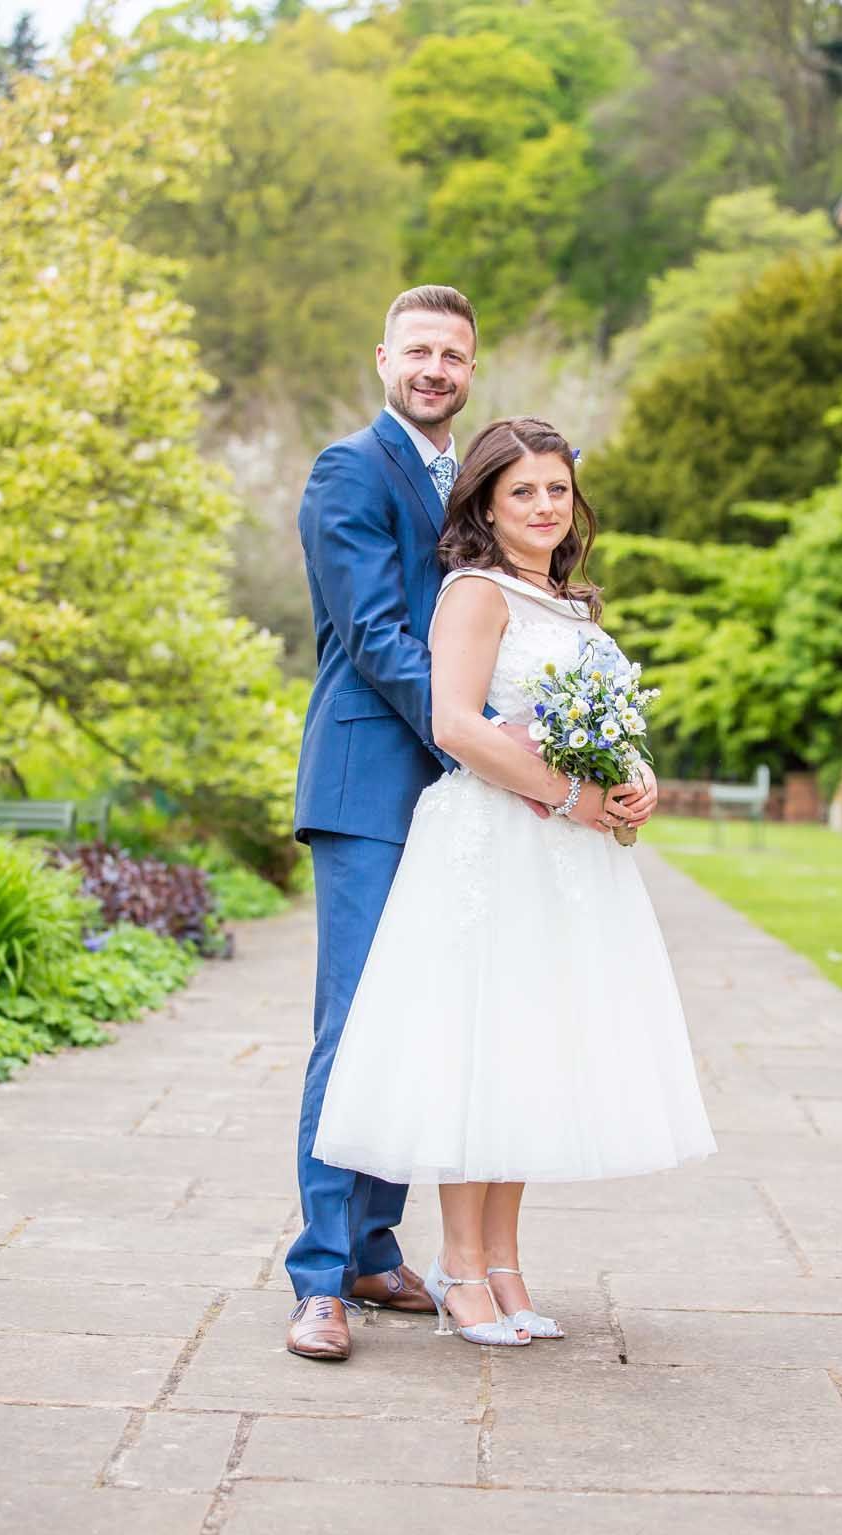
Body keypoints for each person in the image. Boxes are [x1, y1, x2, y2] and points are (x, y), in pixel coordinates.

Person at [285, 288, 659, 1360]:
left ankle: (370, 1247)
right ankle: (318, 1274)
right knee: (356, 1019)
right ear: (382, 359)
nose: (435, 367)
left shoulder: (480, 481)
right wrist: (491, 743)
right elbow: (374, 632)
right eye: (418, 350)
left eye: (453, 353)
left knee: (431, 1016)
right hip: (374, 779)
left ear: (469, 369)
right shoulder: (349, 468)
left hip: (474, 796)